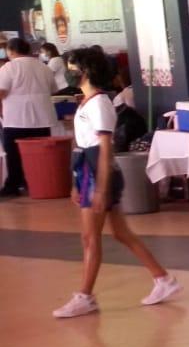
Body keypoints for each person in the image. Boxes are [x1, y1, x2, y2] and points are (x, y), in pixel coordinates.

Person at [51, 48, 181, 319]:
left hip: (98, 175)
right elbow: (82, 146)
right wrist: (76, 182)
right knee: (121, 233)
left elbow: (105, 149)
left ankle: (85, 296)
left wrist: (100, 187)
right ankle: (163, 279)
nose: (69, 72)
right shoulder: (86, 102)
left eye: (72, 67)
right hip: (87, 172)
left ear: (85, 71)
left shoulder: (99, 104)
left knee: (90, 238)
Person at [0, 37, 57, 196]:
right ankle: (36, 181)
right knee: (40, 154)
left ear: (11, 51)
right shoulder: (43, 67)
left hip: (16, 119)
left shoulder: (9, 67)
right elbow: (53, 89)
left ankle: (13, 185)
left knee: (14, 153)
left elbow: (1, 92)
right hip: (42, 118)